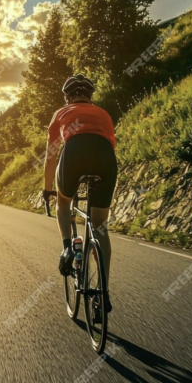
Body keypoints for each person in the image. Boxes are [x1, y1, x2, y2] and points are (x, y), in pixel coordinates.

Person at [39, 74, 118, 312]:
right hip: (105, 159)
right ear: (90, 96)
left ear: (67, 97)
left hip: (73, 154)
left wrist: (48, 189)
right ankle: (103, 292)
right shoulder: (103, 113)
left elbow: (51, 155)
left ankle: (66, 248)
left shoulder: (60, 113)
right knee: (100, 225)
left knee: (63, 203)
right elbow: (110, 145)